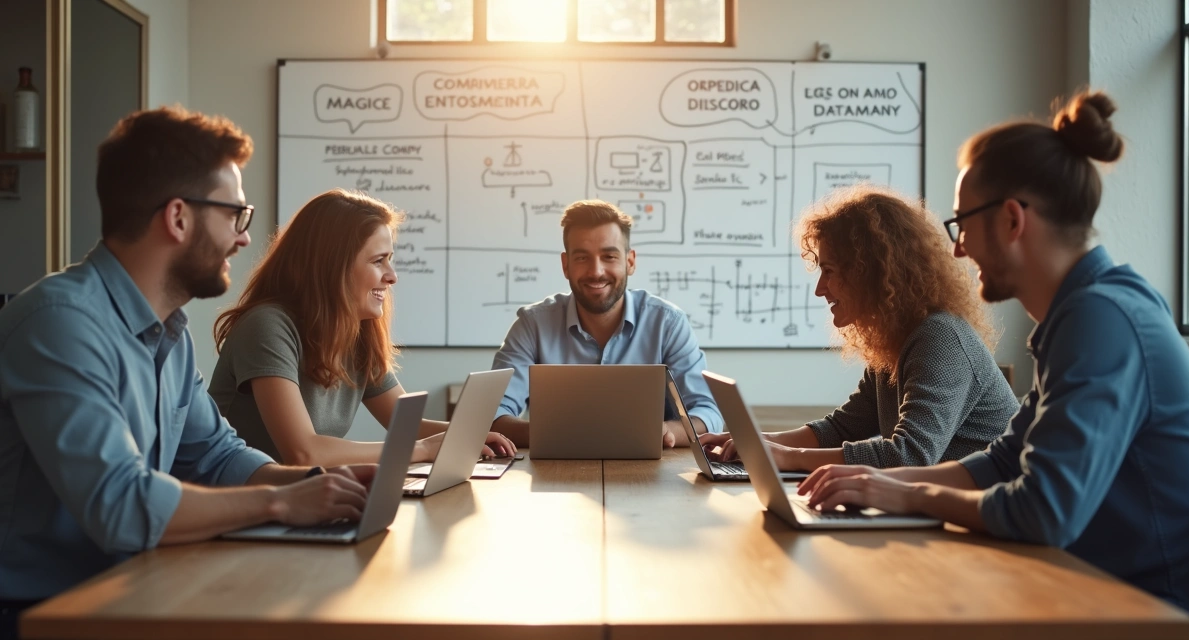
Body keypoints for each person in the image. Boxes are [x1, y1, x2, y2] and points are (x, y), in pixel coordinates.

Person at [799, 90, 1189, 638]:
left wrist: (897, 489)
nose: (957, 250)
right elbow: (1001, 463)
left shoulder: (1102, 319)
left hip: (1153, 610)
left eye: (963, 225)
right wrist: (878, 479)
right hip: (1096, 586)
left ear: (1013, 220)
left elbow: (1043, 512)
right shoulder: (1081, 314)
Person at [0, 108, 377, 638]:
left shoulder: (166, 331)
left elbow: (216, 455)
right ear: (178, 218)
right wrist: (281, 500)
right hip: (39, 613)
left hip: (132, 588)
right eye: (235, 216)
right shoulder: (60, 324)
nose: (245, 238)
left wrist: (321, 483)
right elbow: (121, 505)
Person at [701, 187, 1019, 473]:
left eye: (829, 271)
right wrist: (756, 441)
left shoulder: (940, 337)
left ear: (872, 273)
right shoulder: (896, 339)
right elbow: (840, 428)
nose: (820, 289)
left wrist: (786, 456)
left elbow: (908, 455)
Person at [210, 189, 515, 467]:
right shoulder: (267, 326)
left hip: (301, 500)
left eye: (390, 260)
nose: (392, 276)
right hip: (241, 508)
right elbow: (304, 453)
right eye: (379, 261)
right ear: (332, 267)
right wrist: (422, 449)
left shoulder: (355, 333)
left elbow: (407, 424)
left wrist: (472, 434)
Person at [490, 199, 724, 448]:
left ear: (630, 262)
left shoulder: (667, 323)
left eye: (609, 256)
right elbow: (491, 415)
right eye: (582, 258)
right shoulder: (532, 325)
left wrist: (668, 431)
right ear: (565, 265)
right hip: (555, 475)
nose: (596, 271)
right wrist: (562, 435)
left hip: (653, 475)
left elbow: (707, 414)